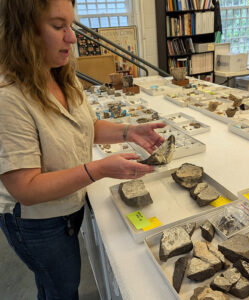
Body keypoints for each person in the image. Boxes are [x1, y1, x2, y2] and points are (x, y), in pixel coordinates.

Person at [0, 0, 165, 299]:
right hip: (38, 221)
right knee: (61, 289)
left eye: (71, 26)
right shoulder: (8, 98)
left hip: (68, 206)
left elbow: (86, 126)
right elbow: (25, 188)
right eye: (58, 26)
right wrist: (98, 169)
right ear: (24, 31)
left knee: (58, 283)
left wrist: (129, 131)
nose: (72, 37)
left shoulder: (59, 73)